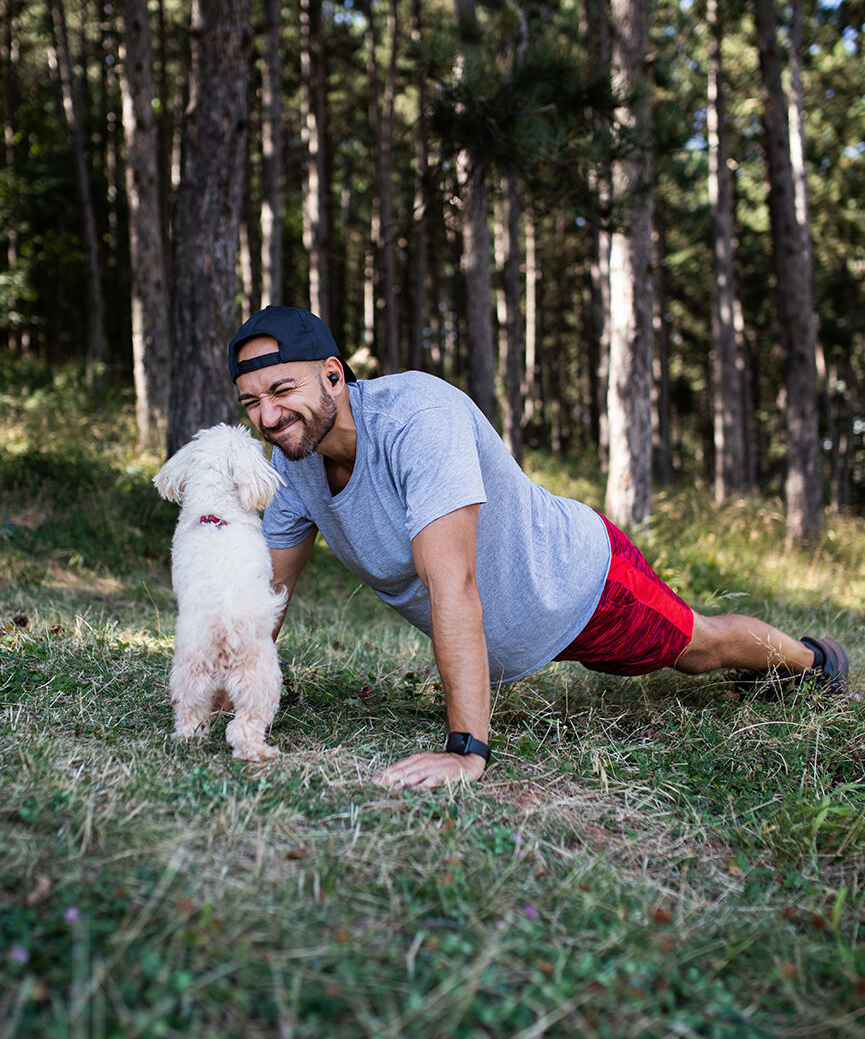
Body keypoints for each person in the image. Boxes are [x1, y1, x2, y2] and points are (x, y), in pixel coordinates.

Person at [227, 306, 850, 790]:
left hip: (580, 586)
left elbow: (454, 585)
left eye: (283, 390)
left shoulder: (418, 419)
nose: (269, 415)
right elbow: (267, 603)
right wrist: (231, 700)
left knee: (700, 649)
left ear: (333, 373)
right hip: (516, 628)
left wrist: (466, 750)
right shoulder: (294, 473)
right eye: (252, 401)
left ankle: (813, 664)